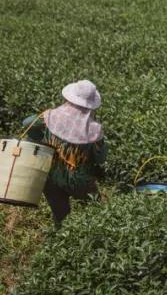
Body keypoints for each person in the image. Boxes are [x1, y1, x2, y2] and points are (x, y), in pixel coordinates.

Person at [21, 80, 106, 228]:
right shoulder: (95, 130)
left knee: (60, 214)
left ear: (69, 99)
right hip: (79, 181)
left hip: (51, 176)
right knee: (95, 210)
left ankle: (61, 239)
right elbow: (100, 158)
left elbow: (26, 123)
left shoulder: (49, 117)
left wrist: (40, 136)